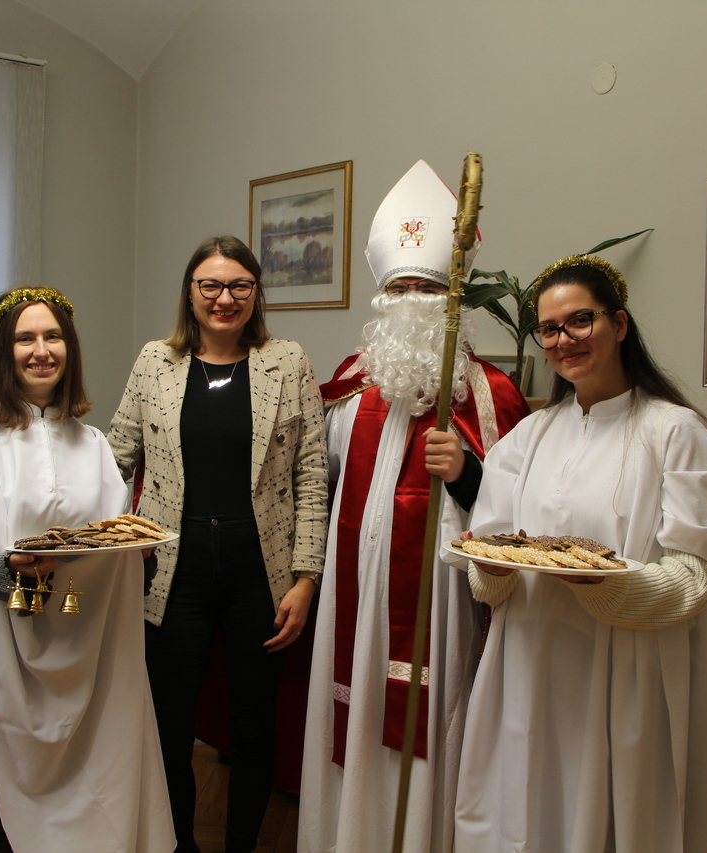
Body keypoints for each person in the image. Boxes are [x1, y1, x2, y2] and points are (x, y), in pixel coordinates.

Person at [450, 255, 707, 853]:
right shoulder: (527, 438)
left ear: (619, 324)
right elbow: (493, 568)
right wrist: (488, 568)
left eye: (581, 321)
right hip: (528, 664)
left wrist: (606, 582)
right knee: (524, 813)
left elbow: (696, 578)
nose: (563, 340)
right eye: (549, 329)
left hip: (627, 669)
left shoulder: (676, 433)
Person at [299, 160, 530, 853]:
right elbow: (312, 482)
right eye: (399, 287)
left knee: (429, 724)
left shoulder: (489, 396)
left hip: (440, 605)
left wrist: (465, 473)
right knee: (351, 718)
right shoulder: (349, 386)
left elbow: (523, 521)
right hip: (350, 593)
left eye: (428, 287)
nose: (412, 300)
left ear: (451, 295)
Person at [0, 287, 174, 853]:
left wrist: (139, 557)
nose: (41, 350)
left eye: (52, 336)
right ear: (3, 353)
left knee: (89, 804)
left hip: (85, 656)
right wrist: (4, 567)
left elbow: (109, 547)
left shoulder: (94, 444)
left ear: (69, 348)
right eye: (24, 339)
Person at [107, 236, 329, 853]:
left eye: (239, 286)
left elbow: (312, 475)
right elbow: (114, 459)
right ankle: (179, 844)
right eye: (210, 285)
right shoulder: (155, 361)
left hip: (261, 572)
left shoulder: (287, 361)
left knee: (253, 730)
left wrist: (306, 578)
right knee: (169, 728)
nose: (224, 298)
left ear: (255, 293)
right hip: (170, 570)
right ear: (190, 293)